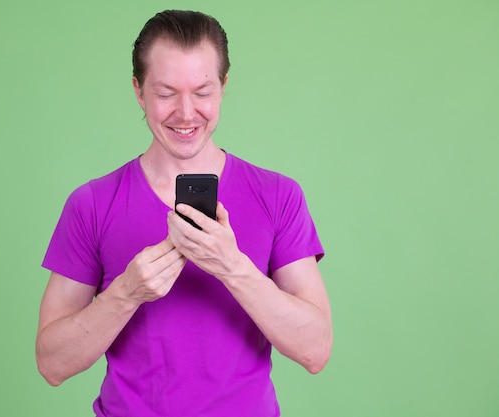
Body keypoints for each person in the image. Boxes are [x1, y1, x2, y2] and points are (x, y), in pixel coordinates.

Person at [36, 9, 332, 417]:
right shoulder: (91, 204)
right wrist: (126, 294)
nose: (187, 112)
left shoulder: (279, 196)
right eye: (166, 93)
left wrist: (233, 268)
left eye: (203, 91)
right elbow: (52, 363)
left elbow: (315, 350)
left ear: (224, 87)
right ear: (139, 92)